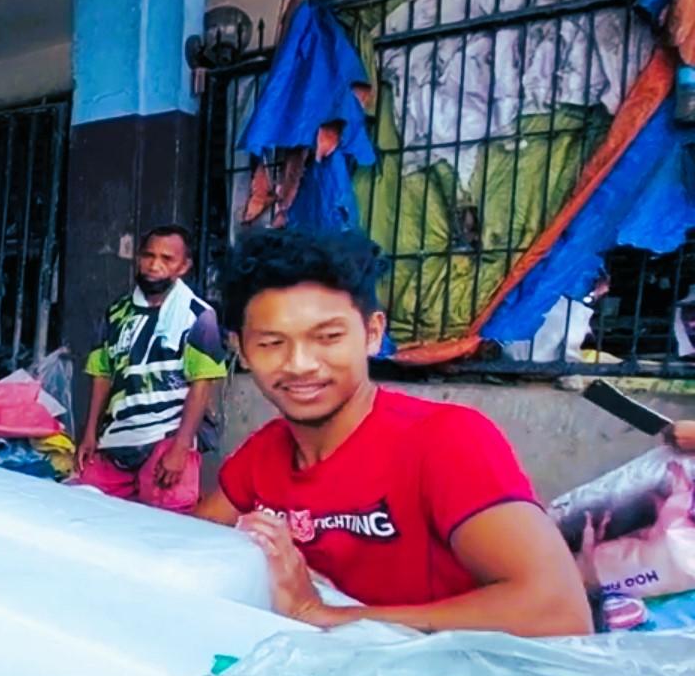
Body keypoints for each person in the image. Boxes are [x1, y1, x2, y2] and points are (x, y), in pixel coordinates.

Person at [195, 230, 591, 636]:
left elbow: (560, 613)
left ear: (371, 333)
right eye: (272, 343)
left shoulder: (445, 440)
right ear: (241, 350)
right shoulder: (263, 453)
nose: (299, 364)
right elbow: (186, 549)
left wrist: (325, 614)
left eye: (328, 337)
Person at [75, 225, 226, 512]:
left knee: (163, 530)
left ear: (184, 266)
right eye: (148, 256)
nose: (154, 265)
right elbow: (102, 374)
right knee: (90, 516)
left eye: (167, 259)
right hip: (116, 438)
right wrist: (90, 433)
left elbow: (202, 385)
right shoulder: (116, 312)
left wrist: (180, 449)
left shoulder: (199, 316)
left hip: (165, 440)